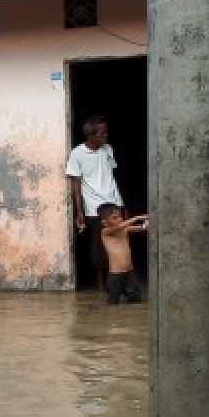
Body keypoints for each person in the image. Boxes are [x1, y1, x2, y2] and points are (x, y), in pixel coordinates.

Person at [66, 116, 124, 291]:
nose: (106, 135)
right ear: (91, 135)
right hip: (93, 206)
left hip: (113, 203)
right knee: (97, 244)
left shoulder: (108, 149)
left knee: (118, 241)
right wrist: (79, 211)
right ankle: (100, 281)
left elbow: (111, 176)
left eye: (106, 131)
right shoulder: (77, 153)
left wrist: (120, 203)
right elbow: (76, 182)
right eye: (102, 132)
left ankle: (114, 278)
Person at [96, 202, 148, 304]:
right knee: (112, 303)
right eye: (115, 218)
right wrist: (137, 218)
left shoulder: (124, 229)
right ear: (105, 223)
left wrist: (148, 222)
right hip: (115, 276)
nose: (119, 219)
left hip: (130, 273)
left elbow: (143, 228)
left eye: (120, 217)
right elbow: (118, 227)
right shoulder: (105, 232)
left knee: (135, 300)